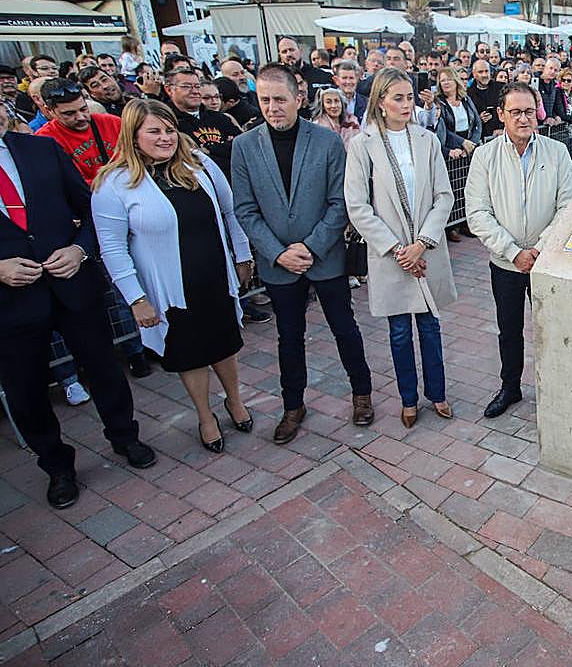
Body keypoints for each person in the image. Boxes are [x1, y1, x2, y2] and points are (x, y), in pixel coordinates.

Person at [0, 112, 156, 509]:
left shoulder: (40, 149)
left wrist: (79, 249)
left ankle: (125, 436)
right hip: (13, 304)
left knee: (103, 366)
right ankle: (55, 465)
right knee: (25, 390)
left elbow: (90, 212)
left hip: (72, 285)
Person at [92, 99, 255, 453]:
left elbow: (230, 213)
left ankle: (234, 400)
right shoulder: (114, 184)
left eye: (169, 130)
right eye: (154, 131)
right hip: (170, 289)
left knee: (226, 345)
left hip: (214, 277)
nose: (165, 137)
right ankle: (205, 416)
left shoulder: (199, 165)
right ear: (133, 136)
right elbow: (113, 248)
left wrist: (242, 255)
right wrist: (136, 298)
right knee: (190, 353)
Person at [230, 64, 374, 444]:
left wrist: (310, 246)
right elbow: (245, 209)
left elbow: (339, 202)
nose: (273, 107)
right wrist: (278, 253)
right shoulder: (244, 146)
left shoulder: (326, 142)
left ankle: (362, 393)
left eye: (280, 99)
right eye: (264, 100)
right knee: (288, 337)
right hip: (278, 265)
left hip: (324, 257)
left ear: (298, 98)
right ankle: (292, 405)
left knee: (345, 328)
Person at [344, 69, 457, 428]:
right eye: (398, 98)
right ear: (380, 102)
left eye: (410, 97)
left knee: (430, 326)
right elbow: (357, 205)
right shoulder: (363, 145)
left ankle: (437, 394)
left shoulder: (426, 140)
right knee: (398, 331)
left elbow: (444, 194)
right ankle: (408, 399)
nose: (407, 104)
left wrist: (421, 243)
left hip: (426, 251)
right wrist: (397, 249)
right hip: (391, 254)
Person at [465, 82, 572, 418]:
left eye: (529, 111)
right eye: (515, 112)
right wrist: (513, 252)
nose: (523, 118)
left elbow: (569, 206)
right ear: (501, 115)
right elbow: (477, 212)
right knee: (509, 330)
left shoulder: (556, 153)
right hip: (506, 263)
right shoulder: (485, 156)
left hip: (547, 262)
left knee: (554, 329)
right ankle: (510, 387)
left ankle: (556, 388)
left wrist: (540, 249)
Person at [35, 79, 122, 185]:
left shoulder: (113, 123)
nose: (81, 117)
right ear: (49, 111)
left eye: (83, 109)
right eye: (69, 113)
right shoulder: (45, 140)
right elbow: (71, 185)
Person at [163, 67, 243, 179]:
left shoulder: (220, 118)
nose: (195, 91)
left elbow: (241, 147)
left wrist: (208, 150)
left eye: (197, 86)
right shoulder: (167, 123)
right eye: (186, 86)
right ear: (169, 89)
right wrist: (225, 147)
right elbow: (188, 158)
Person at [468, 58, 503, 139]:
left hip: (501, 135)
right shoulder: (468, 94)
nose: (484, 75)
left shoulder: (501, 88)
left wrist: (502, 128)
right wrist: (479, 120)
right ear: (474, 74)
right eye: (480, 72)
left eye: (486, 71)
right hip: (480, 138)